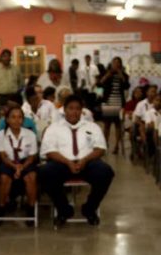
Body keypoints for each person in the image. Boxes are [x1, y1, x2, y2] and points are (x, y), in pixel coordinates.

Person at [39, 94, 114, 227]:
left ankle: (90, 208)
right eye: (70, 108)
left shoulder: (92, 127)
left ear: (82, 110)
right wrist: (68, 162)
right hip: (62, 163)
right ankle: (63, 209)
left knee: (105, 172)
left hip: (87, 163)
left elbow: (100, 149)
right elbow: (49, 151)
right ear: (64, 110)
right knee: (45, 172)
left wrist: (84, 160)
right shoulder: (54, 128)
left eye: (77, 108)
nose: (74, 111)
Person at [0, 105, 39, 217]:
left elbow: (32, 156)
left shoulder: (30, 134)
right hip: (8, 162)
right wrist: (15, 167)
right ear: (7, 120)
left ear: (23, 120)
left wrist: (22, 166)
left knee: (31, 177)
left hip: (26, 162)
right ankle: (1, 206)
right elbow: (2, 156)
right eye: (13, 117)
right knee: (4, 178)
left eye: (19, 117)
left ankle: (31, 207)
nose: (16, 120)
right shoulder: (1, 135)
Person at [97, 57, 130, 154]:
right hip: (108, 102)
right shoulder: (106, 73)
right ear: (111, 64)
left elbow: (126, 86)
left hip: (119, 102)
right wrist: (108, 75)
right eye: (114, 62)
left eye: (118, 63)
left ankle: (116, 146)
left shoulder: (124, 75)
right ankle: (104, 144)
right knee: (106, 125)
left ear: (120, 64)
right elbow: (99, 85)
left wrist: (120, 74)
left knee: (118, 125)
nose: (116, 64)